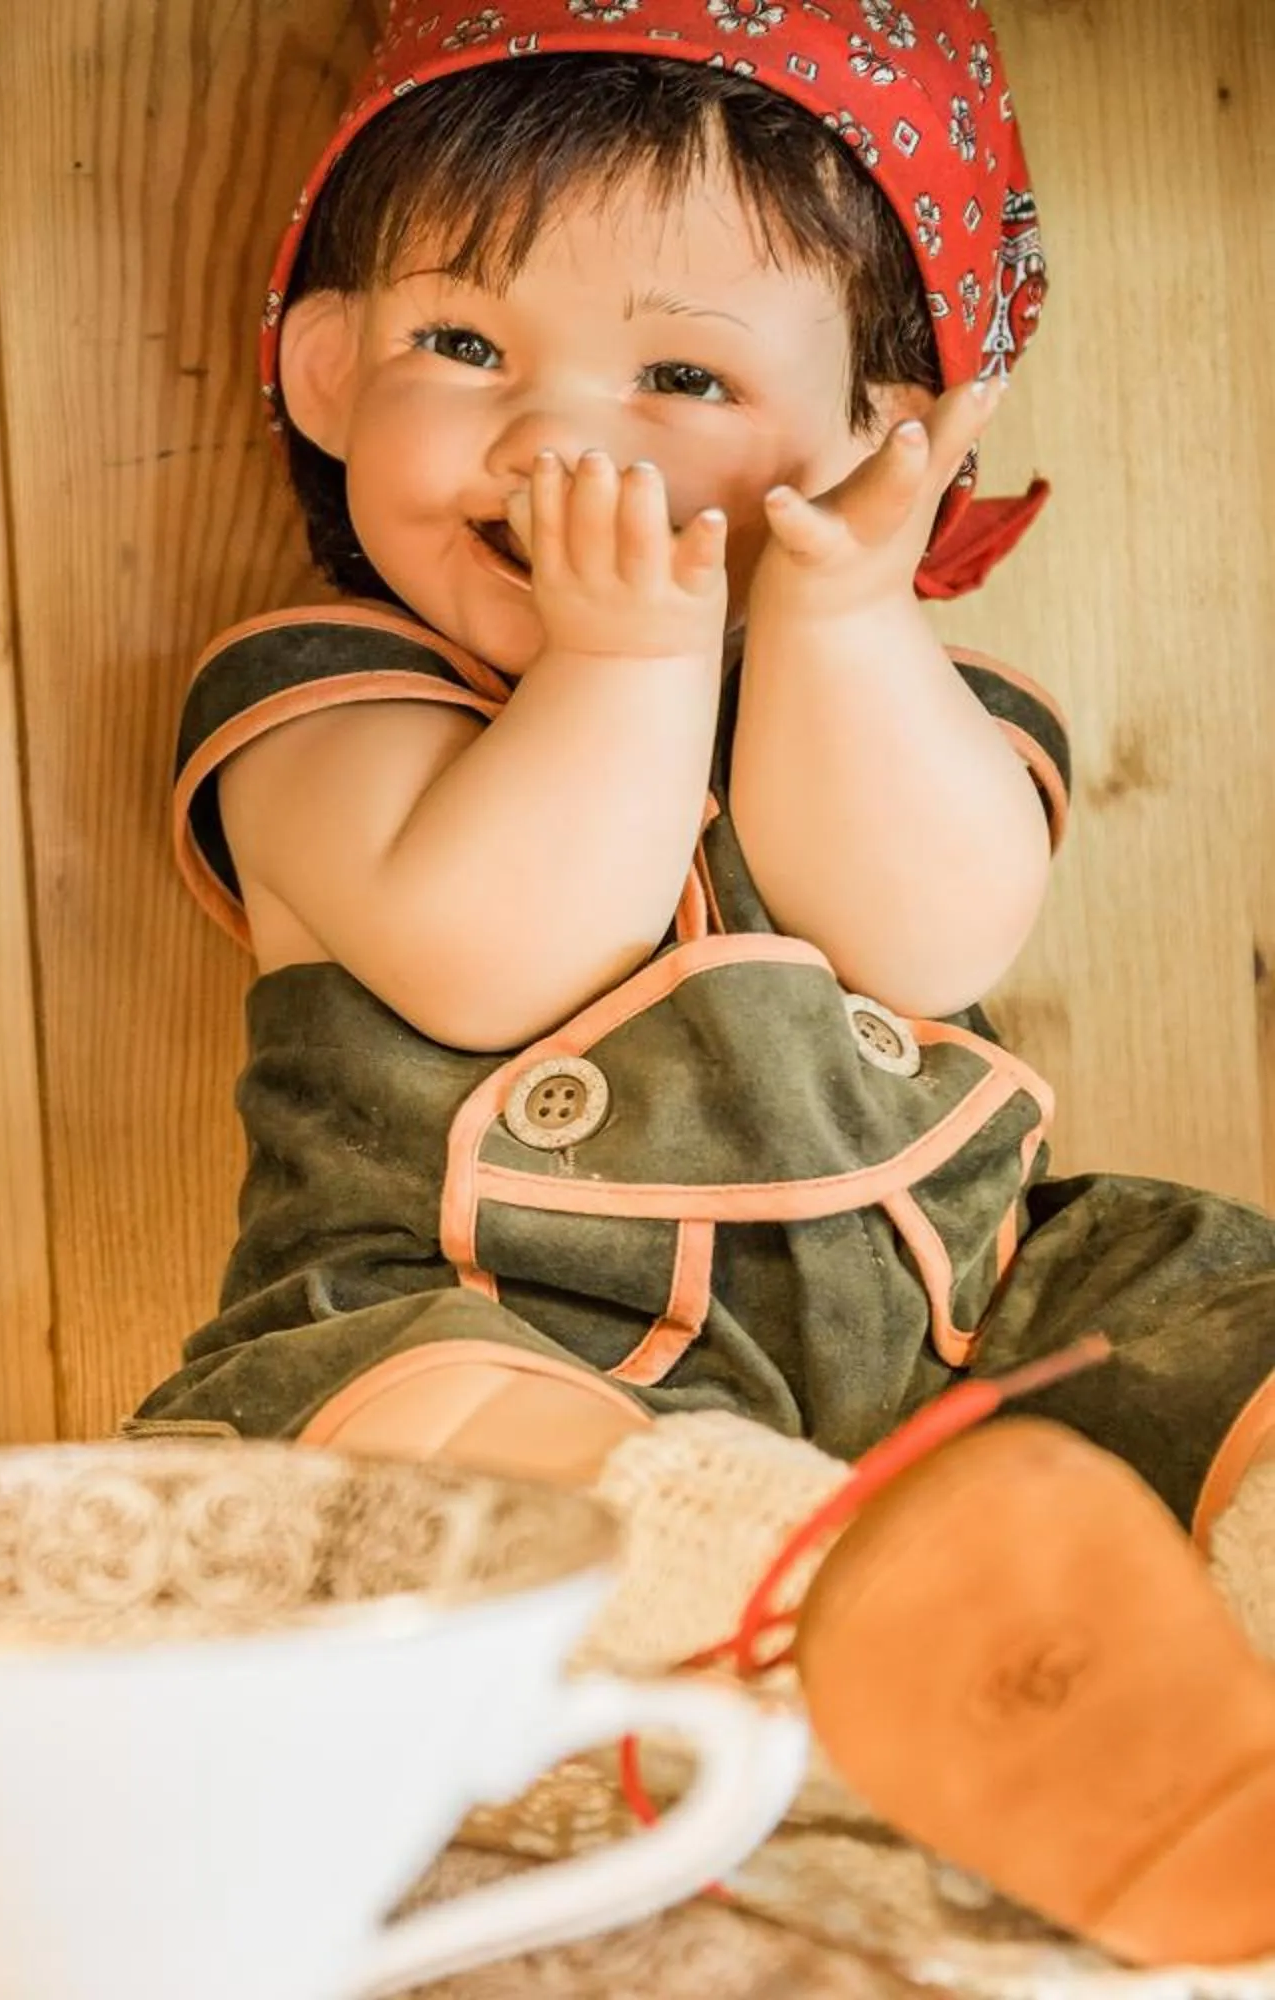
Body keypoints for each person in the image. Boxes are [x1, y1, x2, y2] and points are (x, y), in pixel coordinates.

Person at [132, 0, 1275, 1963]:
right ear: (327, 370)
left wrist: (835, 620)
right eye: (464, 347)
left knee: (1217, 1311)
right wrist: (629, 670)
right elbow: (489, 948)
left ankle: (1193, 1644)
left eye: (680, 371)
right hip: (486, 1328)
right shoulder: (319, 701)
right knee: (434, 1460)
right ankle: (876, 1629)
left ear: (896, 426)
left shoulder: (914, 704)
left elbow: (932, 937)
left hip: (963, 1335)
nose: (561, 434)